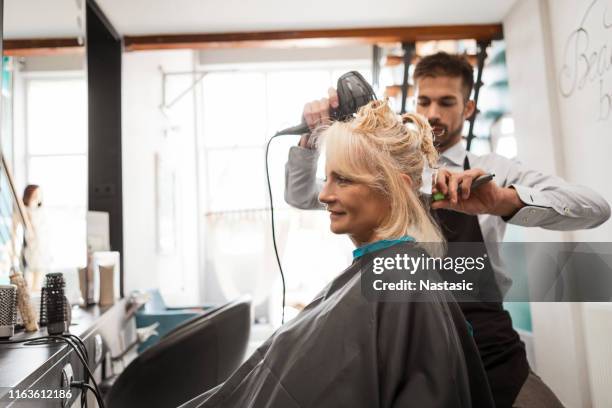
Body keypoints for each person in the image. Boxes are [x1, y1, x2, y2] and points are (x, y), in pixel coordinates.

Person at [284, 52, 611, 408]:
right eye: (424, 100)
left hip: (491, 352)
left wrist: (502, 200)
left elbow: (595, 207)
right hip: (412, 353)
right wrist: (311, 136)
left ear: (468, 108)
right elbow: (302, 196)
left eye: (446, 102)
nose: (434, 113)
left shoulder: (492, 169)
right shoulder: (386, 175)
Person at [179, 100, 494, 408]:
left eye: (342, 179)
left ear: (395, 188)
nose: (325, 195)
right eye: (327, 178)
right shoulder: (390, 273)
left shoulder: (401, 280)